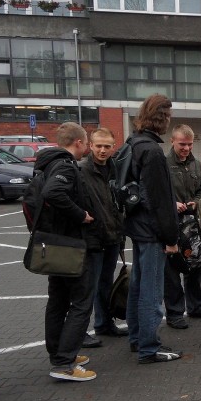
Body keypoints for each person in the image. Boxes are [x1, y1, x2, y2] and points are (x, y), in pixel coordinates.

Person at [124, 93, 183, 364]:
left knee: (137, 286)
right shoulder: (152, 151)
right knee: (151, 290)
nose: (169, 121)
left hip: (137, 227)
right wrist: (171, 237)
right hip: (152, 231)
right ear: (162, 116)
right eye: (168, 115)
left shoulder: (132, 144)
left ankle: (137, 338)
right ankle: (149, 346)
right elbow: (160, 200)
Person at [36, 122, 97, 381]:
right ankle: (65, 362)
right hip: (69, 244)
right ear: (79, 142)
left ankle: (58, 353)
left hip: (52, 242)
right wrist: (80, 214)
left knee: (58, 300)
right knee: (81, 302)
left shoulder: (46, 163)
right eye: (86, 143)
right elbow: (54, 193)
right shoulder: (65, 166)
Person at [164, 124, 201, 329]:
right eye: (181, 144)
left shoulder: (195, 164)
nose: (186, 148)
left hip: (192, 223)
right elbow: (156, 191)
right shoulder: (164, 163)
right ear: (172, 142)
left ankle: (195, 307)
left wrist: (196, 200)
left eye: (189, 144)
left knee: (194, 266)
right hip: (171, 223)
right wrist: (172, 204)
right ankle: (175, 313)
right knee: (172, 271)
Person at [79, 127, 126, 348]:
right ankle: (80, 331)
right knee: (88, 286)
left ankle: (104, 323)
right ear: (90, 146)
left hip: (113, 234)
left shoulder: (115, 168)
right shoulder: (82, 170)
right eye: (98, 146)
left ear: (113, 146)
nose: (103, 150)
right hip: (93, 237)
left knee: (106, 283)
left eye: (107, 146)